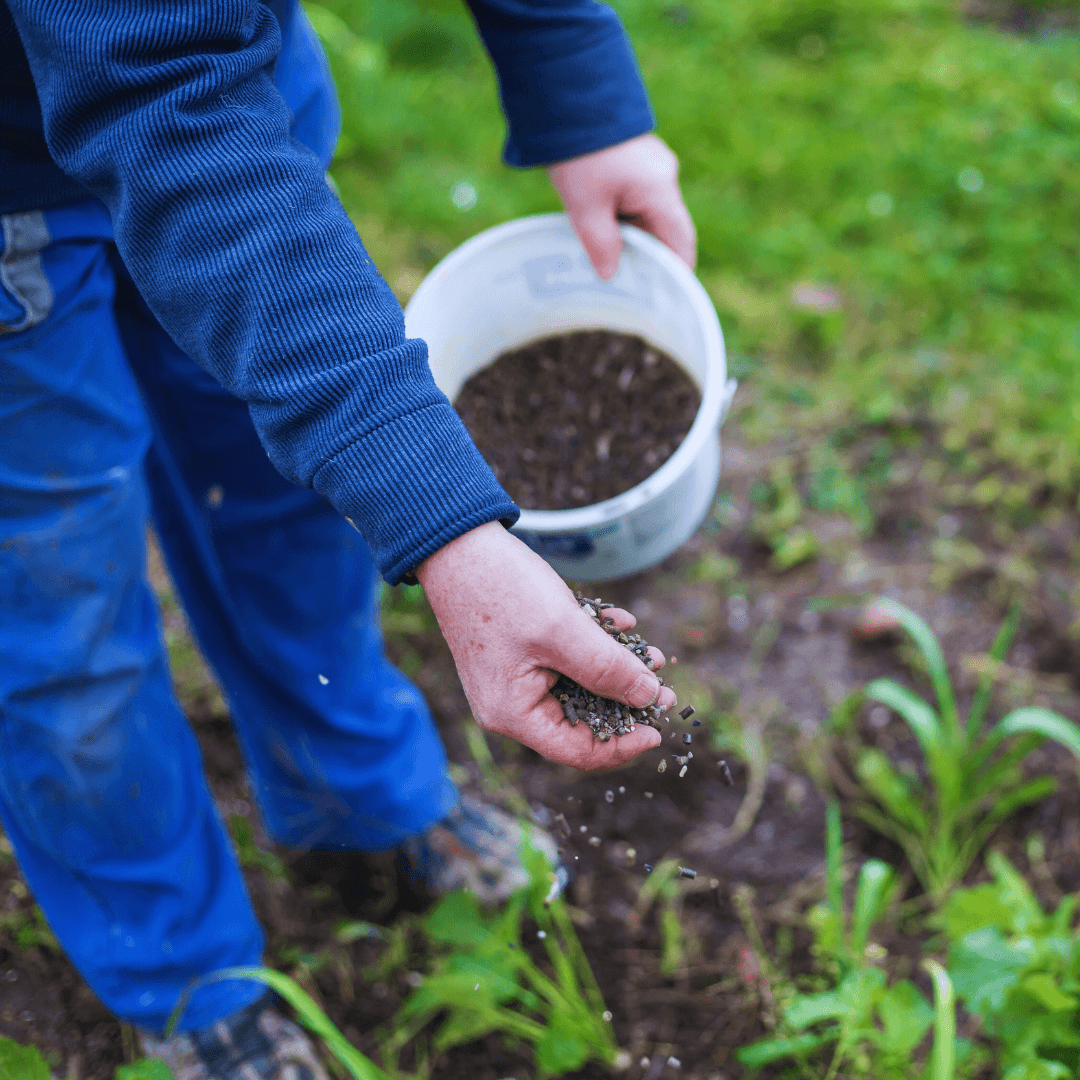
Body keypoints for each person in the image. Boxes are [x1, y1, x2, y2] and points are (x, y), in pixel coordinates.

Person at [0, 0, 696, 1075]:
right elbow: (155, 87)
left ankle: (358, 801)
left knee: (287, 491)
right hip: (33, 185)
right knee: (64, 616)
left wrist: (573, 76)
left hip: (235, 87)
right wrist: (449, 531)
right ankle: (185, 980)